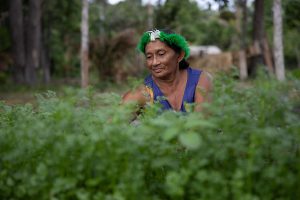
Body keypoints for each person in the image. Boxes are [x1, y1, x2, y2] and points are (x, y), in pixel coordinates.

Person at [122, 28, 212, 112]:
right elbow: (114, 122)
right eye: (149, 57)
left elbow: (202, 122)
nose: (154, 62)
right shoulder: (143, 93)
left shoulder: (200, 80)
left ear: (180, 55)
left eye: (161, 54)